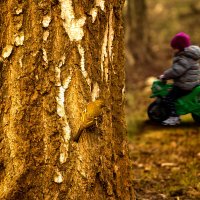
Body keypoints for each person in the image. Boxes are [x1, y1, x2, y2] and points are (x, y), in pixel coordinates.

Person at [159, 32, 200, 125]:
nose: (174, 50)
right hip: (192, 82)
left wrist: (165, 76)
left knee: (168, 98)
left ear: (179, 47)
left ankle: (174, 117)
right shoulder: (190, 54)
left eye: (175, 48)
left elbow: (176, 71)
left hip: (185, 85)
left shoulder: (184, 58)